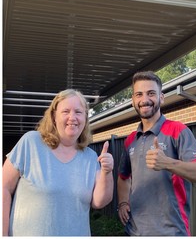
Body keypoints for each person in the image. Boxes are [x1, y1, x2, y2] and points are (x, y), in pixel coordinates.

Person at [2, 89, 114, 236]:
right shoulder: (31, 142)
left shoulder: (91, 157)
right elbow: (3, 187)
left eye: (78, 112)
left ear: (85, 119)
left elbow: (99, 202)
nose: (72, 117)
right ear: (54, 116)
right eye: (66, 111)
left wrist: (107, 171)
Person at [117, 71, 196, 236]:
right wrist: (123, 203)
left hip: (171, 232)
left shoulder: (178, 130)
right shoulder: (130, 140)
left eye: (151, 93)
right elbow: (124, 177)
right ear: (133, 100)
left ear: (162, 97)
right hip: (134, 231)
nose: (145, 100)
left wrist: (167, 163)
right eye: (139, 94)